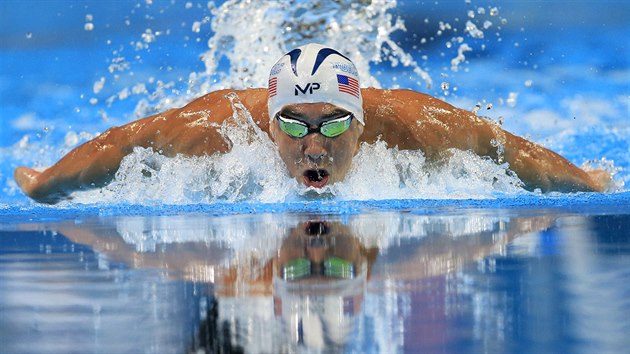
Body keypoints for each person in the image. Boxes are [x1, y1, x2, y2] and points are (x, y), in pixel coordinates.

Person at [14, 43, 611, 203]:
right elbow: (125, 145)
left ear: (361, 122)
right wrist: (46, 184)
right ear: (270, 128)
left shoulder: (413, 125)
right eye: (294, 127)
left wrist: (585, 182)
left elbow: (503, 148)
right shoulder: (221, 127)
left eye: (332, 124)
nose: (314, 144)